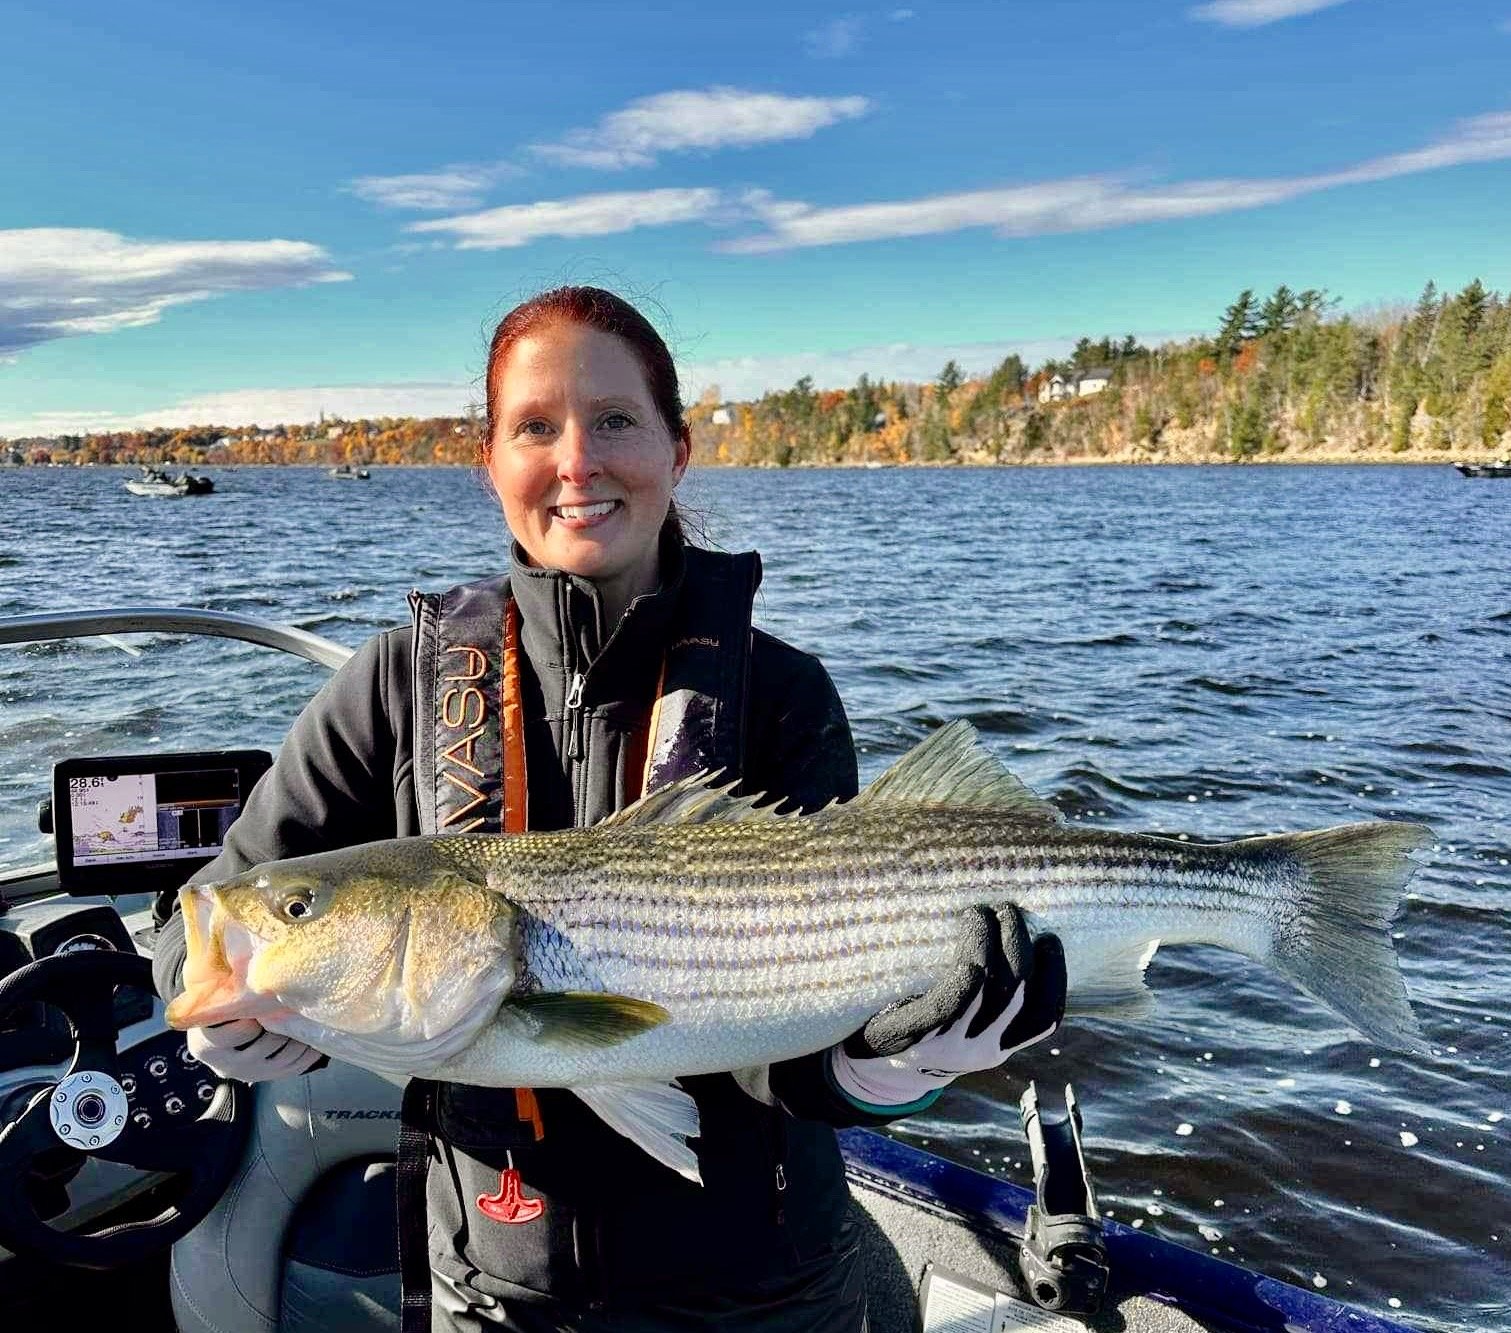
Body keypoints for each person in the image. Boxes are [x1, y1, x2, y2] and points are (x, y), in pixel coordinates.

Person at [153, 286, 1067, 1332]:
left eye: (616, 421)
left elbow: (813, 1035)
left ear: (678, 451)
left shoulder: (780, 693)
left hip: (768, 1294)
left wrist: (899, 1064)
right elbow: (219, 901)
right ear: (489, 461)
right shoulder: (394, 687)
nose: (577, 460)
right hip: (490, 1289)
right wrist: (209, 1006)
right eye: (535, 427)